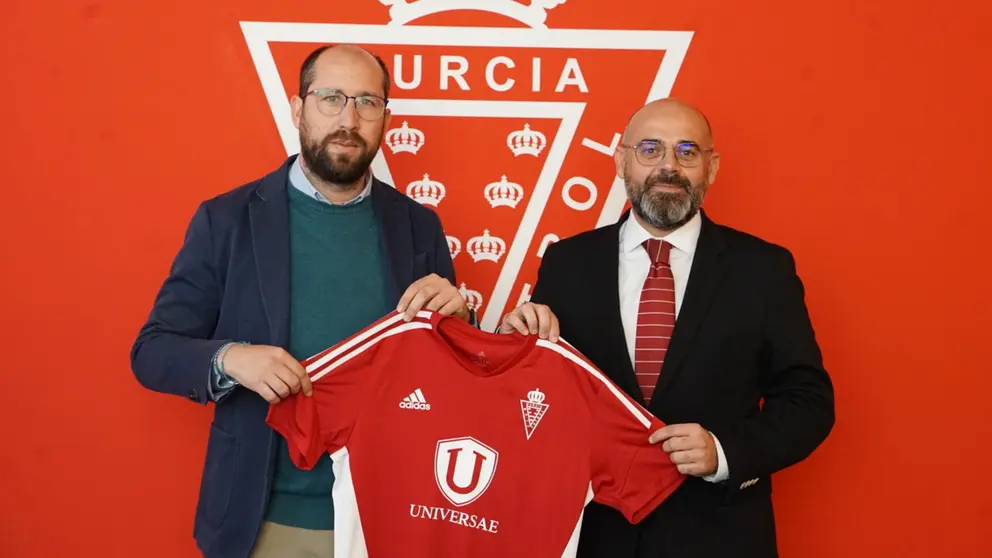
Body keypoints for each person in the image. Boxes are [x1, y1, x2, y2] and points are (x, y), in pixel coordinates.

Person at [130, 44, 473, 558]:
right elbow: (152, 352)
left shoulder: (418, 225)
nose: (348, 119)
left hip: (392, 515)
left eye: (367, 102)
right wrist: (231, 359)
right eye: (331, 98)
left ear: (386, 117)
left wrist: (459, 322)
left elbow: (447, 377)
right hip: (265, 520)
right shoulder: (226, 220)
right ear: (297, 109)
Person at [499, 98, 835, 557]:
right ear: (621, 160)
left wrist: (724, 451)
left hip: (718, 535)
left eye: (687, 151)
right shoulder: (568, 263)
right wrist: (512, 345)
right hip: (592, 535)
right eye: (651, 149)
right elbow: (538, 390)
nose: (669, 167)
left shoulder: (764, 270)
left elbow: (809, 402)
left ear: (711, 167)